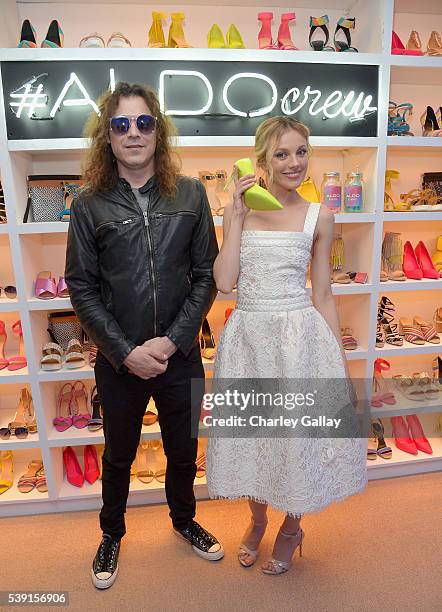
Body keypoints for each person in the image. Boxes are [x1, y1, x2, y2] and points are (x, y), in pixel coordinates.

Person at [65, 82, 222, 590]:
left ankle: (183, 520)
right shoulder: (88, 202)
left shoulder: (192, 193)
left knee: (183, 448)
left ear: (159, 130)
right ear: (107, 137)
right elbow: (81, 288)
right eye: (120, 124)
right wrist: (126, 352)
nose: (133, 133)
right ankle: (111, 534)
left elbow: (207, 276)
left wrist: (174, 341)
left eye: (143, 122)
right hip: (119, 360)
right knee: (118, 453)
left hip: (180, 355)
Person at [206, 116, 367, 575]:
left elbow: (323, 293)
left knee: (297, 440)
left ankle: (291, 528)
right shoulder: (240, 210)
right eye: (282, 153)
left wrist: (336, 360)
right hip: (249, 340)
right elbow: (224, 283)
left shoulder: (321, 216)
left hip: (300, 342)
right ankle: (257, 520)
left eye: (301, 152)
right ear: (262, 161)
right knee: (254, 436)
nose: (294, 162)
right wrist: (234, 215)